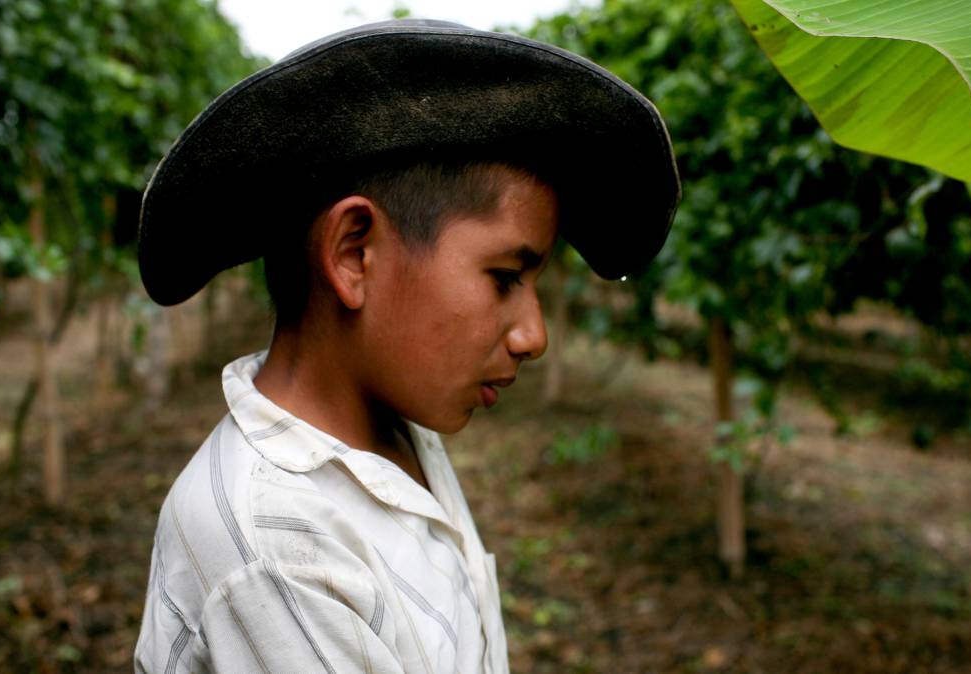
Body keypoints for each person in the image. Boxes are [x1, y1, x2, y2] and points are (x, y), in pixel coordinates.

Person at [133, 19, 678, 673]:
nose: (535, 336)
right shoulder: (275, 548)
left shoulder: (389, 431)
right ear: (354, 253)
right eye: (505, 277)